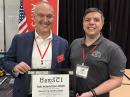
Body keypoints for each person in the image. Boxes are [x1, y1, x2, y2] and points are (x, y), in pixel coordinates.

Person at [4, 1, 69, 97]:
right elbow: (6, 61)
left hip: (52, 94)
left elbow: (65, 70)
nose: (45, 20)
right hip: (25, 93)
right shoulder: (19, 39)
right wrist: (15, 67)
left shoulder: (63, 43)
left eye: (49, 16)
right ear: (34, 17)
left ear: (53, 18)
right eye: (41, 15)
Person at [69, 8, 127, 97]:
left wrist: (91, 93)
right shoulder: (74, 43)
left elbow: (117, 80)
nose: (91, 22)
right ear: (83, 23)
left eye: (96, 20)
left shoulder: (114, 50)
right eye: (87, 20)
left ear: (102, 24)